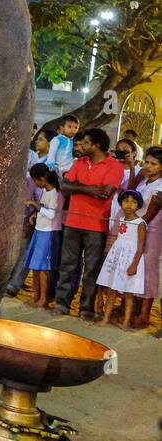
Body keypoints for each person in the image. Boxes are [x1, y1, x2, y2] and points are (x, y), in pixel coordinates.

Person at [54, 127, 124, 319]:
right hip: (73, 221)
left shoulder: (113, 166)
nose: (81, 146)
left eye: (85, 143)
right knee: (68, 265)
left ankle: (86, 307)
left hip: (96, 225)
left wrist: (79, 188)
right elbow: (65, 187)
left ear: (97, 145)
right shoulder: (80, 162)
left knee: (91, 269)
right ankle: (62, 303)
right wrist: (89, 189)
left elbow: (105, 192)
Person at [95, 189, 146, 326]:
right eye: (126, 201)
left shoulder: (140, 223)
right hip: (118, 258)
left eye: (133, 202)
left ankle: (126, 322)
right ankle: (106, 318)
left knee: (128, 293)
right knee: (111, 289)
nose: (129, 205)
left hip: (130, 260)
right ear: (121, 203)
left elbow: (141, 247)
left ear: (139, 205)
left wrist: (134, 265)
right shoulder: (122, 219)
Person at [23, 164, 63, 308]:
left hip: (48, 232)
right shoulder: (46, 191)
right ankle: (36, 295)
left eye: (35, 180)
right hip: (41, 230)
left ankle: (43, 298)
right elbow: (44, 209)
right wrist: (35, 213)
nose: (34, 183)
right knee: (36, 266)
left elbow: (51, 214)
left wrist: (34, 205)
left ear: (42, 179)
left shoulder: (54, 194)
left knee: (43, 268)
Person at [133, 146, 162, 330]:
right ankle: (133, 311)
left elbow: (153, 208)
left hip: (152, 231)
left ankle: (145, 314)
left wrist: (139, 223)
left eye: (154, 164)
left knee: (149, 273)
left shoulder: (160, 185)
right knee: (136, 269)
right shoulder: (144, 182)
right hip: (137, 228)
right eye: (147, 162)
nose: (149, 166)